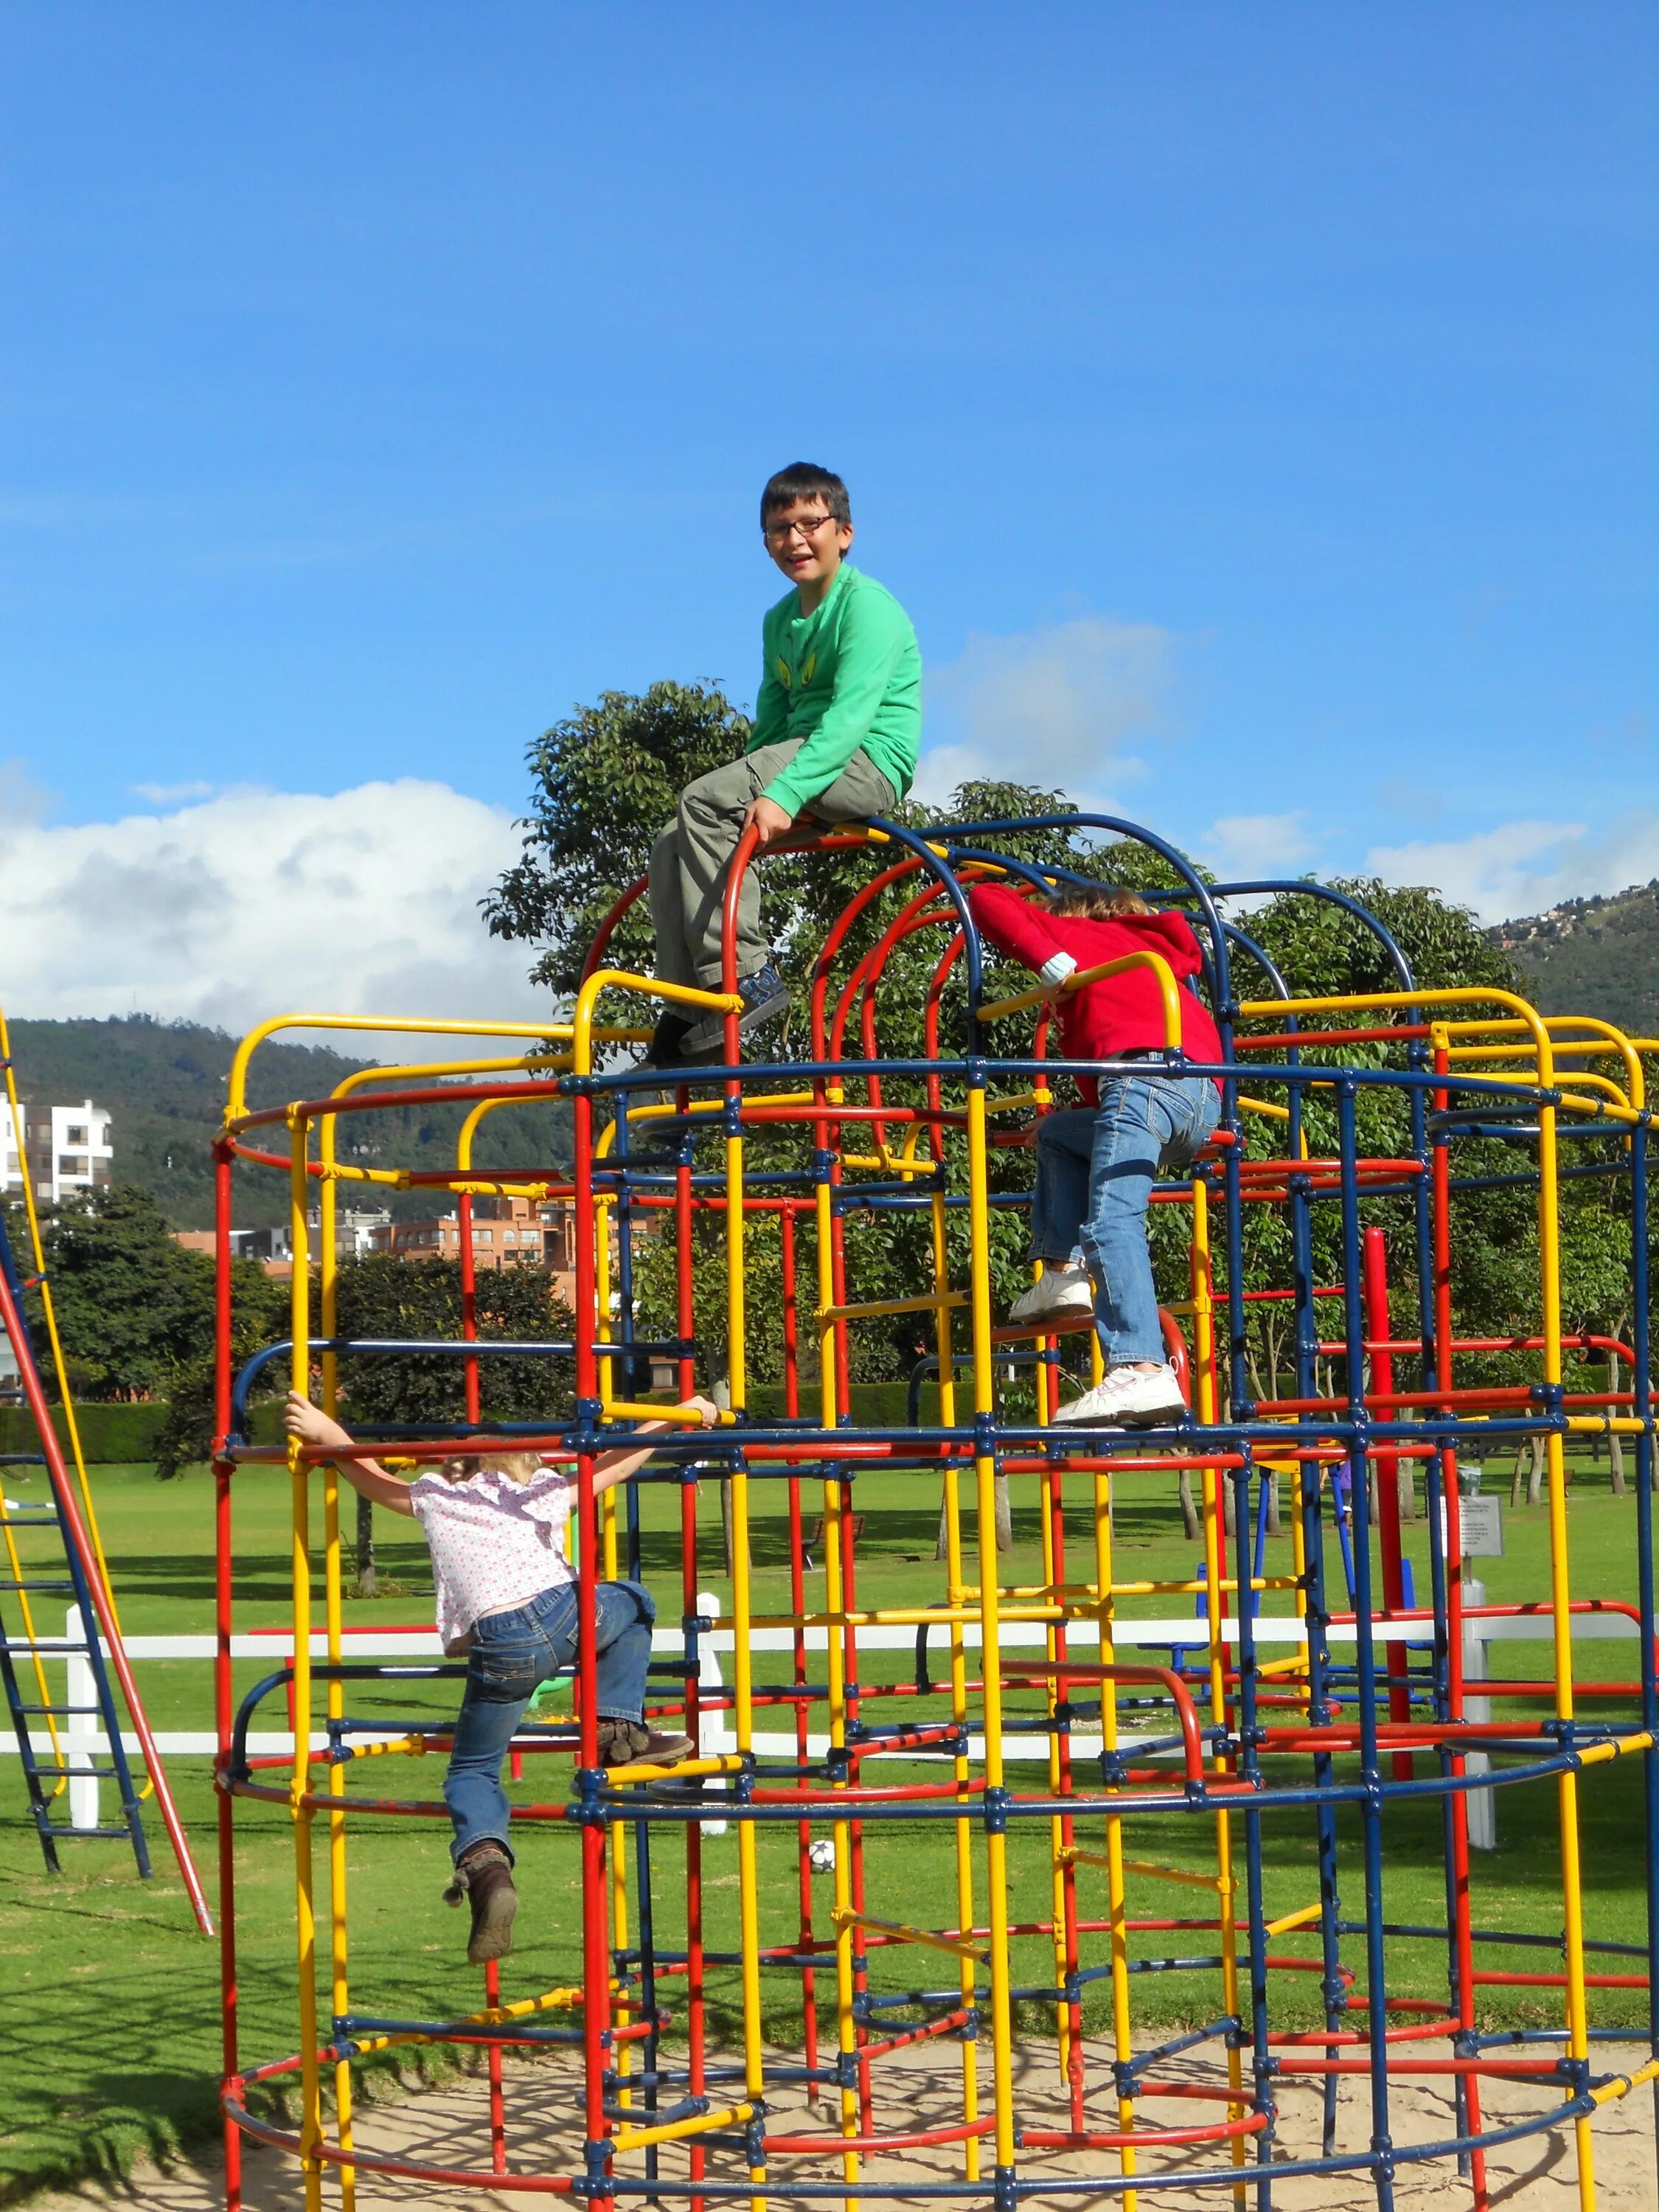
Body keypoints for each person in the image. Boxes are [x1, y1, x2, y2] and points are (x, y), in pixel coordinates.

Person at [283, 1389, 718, 1964]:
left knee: (471, 1770)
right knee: (633, 1602)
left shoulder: (435, 1495)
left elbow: (364, 1469)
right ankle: (619, 1733)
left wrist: (322, 1429)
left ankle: (488, 1871)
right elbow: (616, 1461)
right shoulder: (537, 1491)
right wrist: (683, 1414)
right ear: (520, 1464)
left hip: (499, 1643)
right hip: (565, 1615)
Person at [645, 462, 922, 1065]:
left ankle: (745, 974)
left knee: (700, 799)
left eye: (809, 524)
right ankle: (686, 1004)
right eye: (778, 529)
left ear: (843, 533)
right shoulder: (779, 621)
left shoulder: (866, 607)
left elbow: (849, 719)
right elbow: (771, 725)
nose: (794, 539)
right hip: (802, 761)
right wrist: (753, 793)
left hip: (864, 762)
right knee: (674, 840)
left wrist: (782, 794)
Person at [966, 880, 1224, 1427]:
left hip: (1142, 1081)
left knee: (1111, 1224)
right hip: (1198, 1103)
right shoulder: (1156, 958)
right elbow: (1098, 1080)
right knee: (1061, 1135)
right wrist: (1064, 1116)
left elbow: (988, 898)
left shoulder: (1083, 935)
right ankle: (1063, 1274)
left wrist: (1050, 959)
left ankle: (1141, 1366)